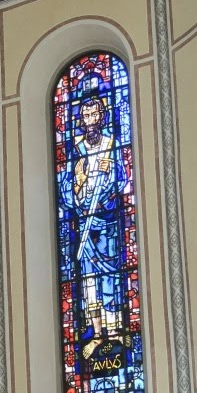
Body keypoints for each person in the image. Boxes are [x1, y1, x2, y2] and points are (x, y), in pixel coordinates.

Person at [60, 96, 129, 360]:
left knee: (111, 277)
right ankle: (97, 334)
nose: (90, 121)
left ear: (101, 117)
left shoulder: (110, 145)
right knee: (88, 281)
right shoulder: (76, 151)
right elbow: (66, 187)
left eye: (94, 115)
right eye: (86, 116)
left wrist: (109, 175)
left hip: (107, 221)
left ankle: (115, 331)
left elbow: (122, 179)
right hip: (85, 223)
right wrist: (78, 184)